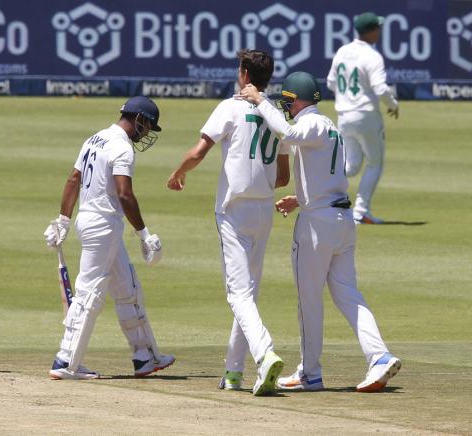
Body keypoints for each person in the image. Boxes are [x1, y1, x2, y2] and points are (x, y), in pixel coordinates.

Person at [237, 71, 401, 392]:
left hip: (317, 225)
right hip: (341, 220)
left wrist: (261, 100)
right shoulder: (330, 127)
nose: (285, 106)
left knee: (308, 299)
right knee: (349, 296)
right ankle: (379, 356)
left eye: (287, 101)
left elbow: (287, 131)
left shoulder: (310, 123)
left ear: (298, 100)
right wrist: (300, 198)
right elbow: (331, 177)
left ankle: (310, 373)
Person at [167, 49, 290, 396]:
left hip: (234, 210)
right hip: (264, 210)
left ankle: (264, 354)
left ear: (245, 75)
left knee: (238, 295)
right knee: (247, 293)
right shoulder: (275, 111)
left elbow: (199, 151)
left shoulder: (229, 106)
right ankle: (234, 373)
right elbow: (283, 177)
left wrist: (178, 172)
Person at [44, 96, 175, 380]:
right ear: (139, 120)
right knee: (88, 293)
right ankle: (65, 361)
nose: (148, 133)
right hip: (104, 224)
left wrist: (64, 220)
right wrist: (144, 234)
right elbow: (125, 194)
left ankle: (144, 357)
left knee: (127, 289)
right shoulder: (121, 147)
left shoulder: (96, 138)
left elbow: (73, 179)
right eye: (149, 126)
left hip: (93, 221)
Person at [326, 12, 399, 224]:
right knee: (375, 163)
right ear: (372, 31)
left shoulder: (342, 51)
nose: (380, 31)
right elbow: (380, 88)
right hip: (366, 115)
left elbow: (331, 82)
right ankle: (361, 211)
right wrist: (393, 105)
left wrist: (347, 95)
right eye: (378, 28)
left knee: (351, 165)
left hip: (344, 116)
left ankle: (323, 192)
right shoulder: (372, 56)